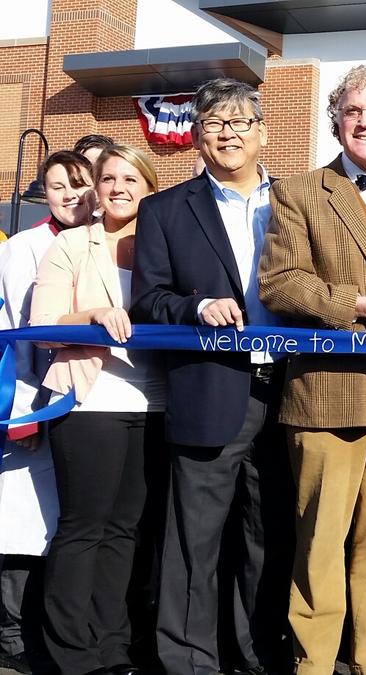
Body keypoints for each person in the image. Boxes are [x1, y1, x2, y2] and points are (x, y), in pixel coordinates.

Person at [257, 64, 366, 675]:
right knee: (320, 546)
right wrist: (357, 305)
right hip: (328, 393)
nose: (365, 122)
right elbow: (280, 284)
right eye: (353, 111)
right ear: (336, 120)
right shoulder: (300, 192)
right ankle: (313, 663)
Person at [131, 77, 293, 675]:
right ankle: (188, 662)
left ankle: (257, 655)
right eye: (213, 125)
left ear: (262, 134)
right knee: (192, 544)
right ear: (197, 138)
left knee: (268, 537)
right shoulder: (165, 210)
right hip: (210, 387)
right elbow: (150, 298)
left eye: (238, 123)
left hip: (291, 392)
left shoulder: (297, 201)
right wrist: (197, 308)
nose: (226, 134)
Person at [31, 144, 164, 675]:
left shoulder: (162, 242)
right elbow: (43, 327)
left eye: (132, 178)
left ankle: (112, 648)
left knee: (126, 530)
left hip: (154, 402)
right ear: (97, 186)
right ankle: (71, 654)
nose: (119, 188)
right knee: (84, 526)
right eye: (109, 178)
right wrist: (96, 314)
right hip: (90, 401)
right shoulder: (70, 247)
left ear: (149, 187)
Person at [0, 150, 96, 674]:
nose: (69, 195)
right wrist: (25, 413)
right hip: (34, 397)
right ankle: (15, 632)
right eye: (56, 186)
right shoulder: (24, 247)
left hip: (90, 402)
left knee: (71, 521)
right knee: (24, 523)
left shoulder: (109, 241)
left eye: (78, 184)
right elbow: (18, 333)